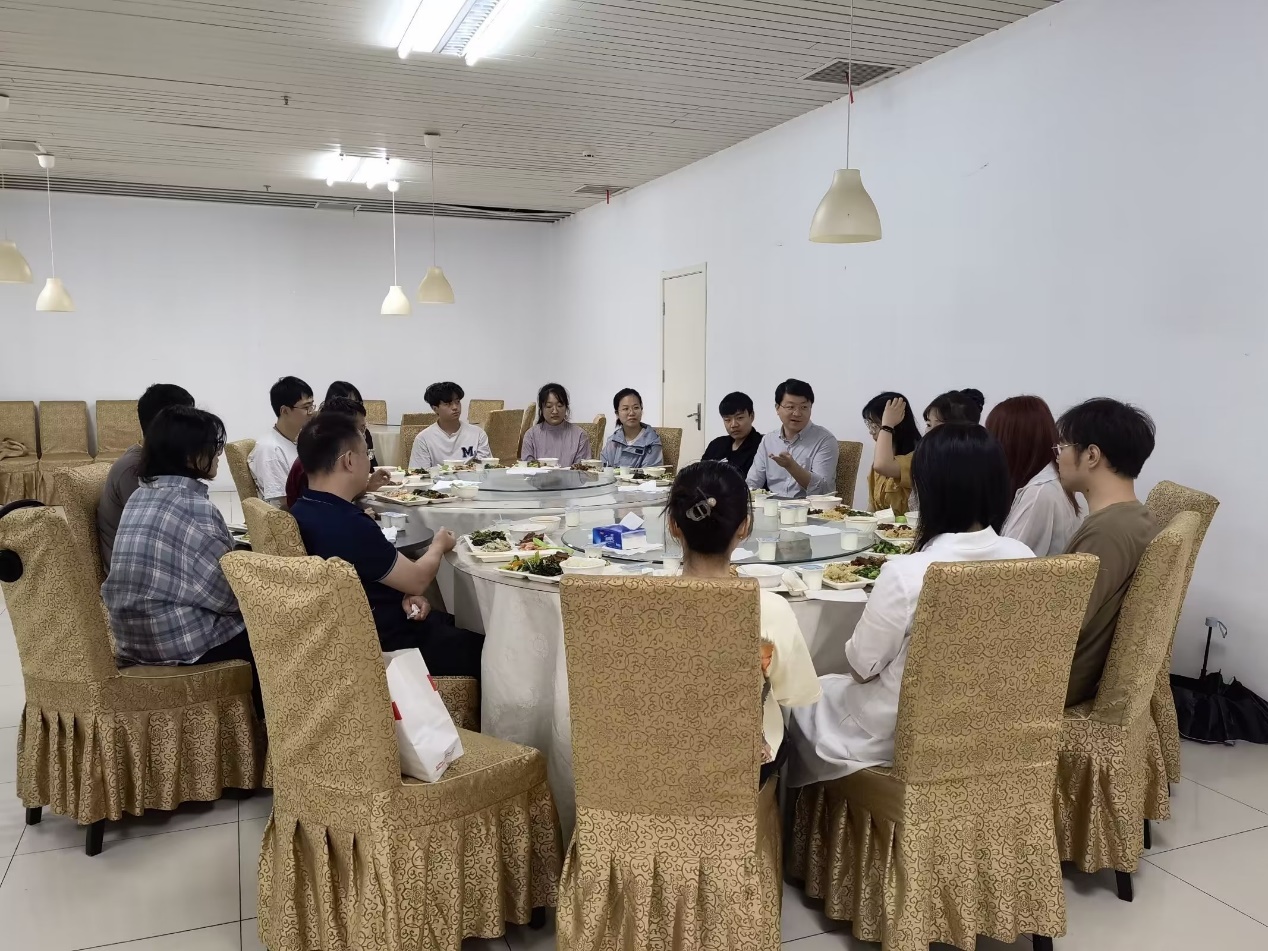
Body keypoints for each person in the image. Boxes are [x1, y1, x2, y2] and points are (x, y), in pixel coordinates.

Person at [788, 424, 1033, 785]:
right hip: (989, 723)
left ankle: (797, 817)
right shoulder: (1023, 557)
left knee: (799, 699)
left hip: (897, 734)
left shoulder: (908, 573)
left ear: (926, 490)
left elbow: (860, 668)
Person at [290, 412, 483, 677]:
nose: (369, 462)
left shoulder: (302, 509)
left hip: (350, 632)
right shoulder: (350, 523)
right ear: (349, 461)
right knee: (487, 649)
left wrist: (402, 593)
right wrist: (439, 545)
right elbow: (417, 580)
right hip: (387, 645)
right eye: (367, 454)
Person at [668, 460, 821, 784]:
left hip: (654, 753)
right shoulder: (770, 609)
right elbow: (794, 694)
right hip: (745, 760)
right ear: (745, 527)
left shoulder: (637, 604)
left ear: (673, 525)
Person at [101, 406, 261, 712]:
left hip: (132, 639)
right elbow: (229, 598)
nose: (218, 454)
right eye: (213, 445)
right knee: (273, 632)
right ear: (189, 455)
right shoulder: (193, 507)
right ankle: (268, 729)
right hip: (177, 645)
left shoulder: (140, 494)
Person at [1056, 398, 1160, 707]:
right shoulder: (1139, 517)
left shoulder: (1106, 532)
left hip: (1059, 685)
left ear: (1091, 455)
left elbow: (1059, 628)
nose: (1057, 457)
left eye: (1062, 447)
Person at [97, 383, 194, 569]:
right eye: (188, 422)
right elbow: (160, 533)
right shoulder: (134, 470)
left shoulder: (158, 461)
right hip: (136, 573)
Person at [984, 395, 1082, 556]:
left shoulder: (1039, 493)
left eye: (992, 437)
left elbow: (1006, 565)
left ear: (1009, 442)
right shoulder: (1052, 480)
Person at [285, 396, 392, 509]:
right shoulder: (319, 463)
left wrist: (367, 487)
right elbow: (326, 507)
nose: (364, 435)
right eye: (361, 429)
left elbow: (337, 498)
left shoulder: (321, 453)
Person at [745, 379, 838, 498]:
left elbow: (824, 491)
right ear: (777, 408)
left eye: (804, 407)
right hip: (772, 506)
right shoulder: (769, 440)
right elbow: (752, 484)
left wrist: (792, 467)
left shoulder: (825, 440)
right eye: (790, 407)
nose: (797, 413)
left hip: (808, 507)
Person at [249, 376, 315, 507]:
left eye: (312, 405)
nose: (311, 412)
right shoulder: (270, 450)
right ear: (284, 411)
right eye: (306, 407)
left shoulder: (296, 440)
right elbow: (282, 505)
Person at [408, 381, 492, 469]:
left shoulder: (478, 434)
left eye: (457, 402)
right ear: (435, 409)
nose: (455, 407)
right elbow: (419, 473)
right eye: (448, 404)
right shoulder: (423, 439)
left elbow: (487, 468)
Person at [862, 392, 921, 514]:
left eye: (875, 425)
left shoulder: (917, 458)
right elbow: (872, 506)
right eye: (870, 424)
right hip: (881, 525)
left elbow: (882, 466)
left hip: (906, 526)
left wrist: (887, 426)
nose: (871, 431)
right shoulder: (880, 459)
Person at [520, 383, 590, 466]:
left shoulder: (580, 435)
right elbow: (527, 468)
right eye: (549, 406)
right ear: (541, 408)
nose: (555, 411)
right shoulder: (531, 435)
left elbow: (582, 470)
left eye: (560, 405)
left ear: (566, 407)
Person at [702, 391, 763, 476]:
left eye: (739, 418)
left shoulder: (762, 446)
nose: (733, 425)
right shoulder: (716, 445)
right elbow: (701, 475)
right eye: (727, 420)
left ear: (751, 416)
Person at [600, 388, 663, 468]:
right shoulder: (613, 441)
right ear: (617, 413)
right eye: (625, 409)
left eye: (636, 407)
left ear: (641, 410)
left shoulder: (651, 442)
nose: (631, 413)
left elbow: (651, 474)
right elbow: (602, 469)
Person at [326, 380, 377, 465]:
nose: (356, 407)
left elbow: (372, 464)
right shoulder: (323, 437)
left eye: (358, 402)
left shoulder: (364, 432)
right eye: (351, 403)